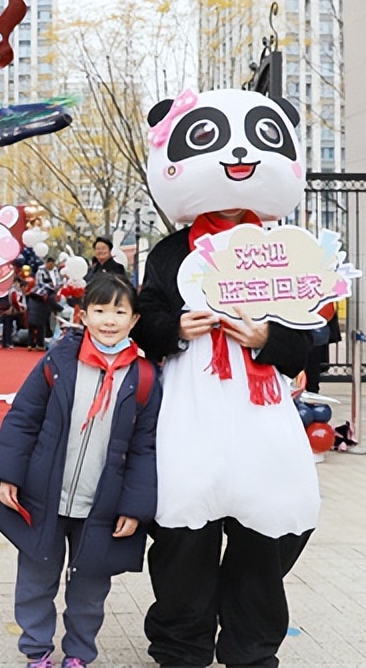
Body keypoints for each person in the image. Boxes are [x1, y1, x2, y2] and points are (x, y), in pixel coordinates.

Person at [135, 88, 319, 668]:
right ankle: (181, 646)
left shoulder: (288, 249)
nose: (239, 153)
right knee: (183, 534)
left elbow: (316, 335)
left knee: (272, 526)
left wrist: (271, 341)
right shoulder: (168, 253)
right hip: (190, 407)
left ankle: (251, 647)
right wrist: (177, 328)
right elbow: (144, 322)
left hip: (262, 409)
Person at [0, 274, 160, 668]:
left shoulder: (145, 376)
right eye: (100, 310)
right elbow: (24, 418)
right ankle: (37, 651)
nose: (109, 320)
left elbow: (144, 448)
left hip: (102, 504)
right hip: (43, 493)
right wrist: (9, 475)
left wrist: (134, 507)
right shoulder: (59, 361)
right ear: (83, 316)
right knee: (36, 578)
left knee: (89, 588)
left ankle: (79, 654)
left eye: (120, 311)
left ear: (134, 320)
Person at [0, 276, 27, 349]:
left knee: (6, 326)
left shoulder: (6, 288)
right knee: (9, 327)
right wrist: (19, 309)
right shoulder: (13, 289)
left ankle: (5, 343)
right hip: (10, 310)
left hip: (4, 309)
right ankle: (8, 343)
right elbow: (14, 300)